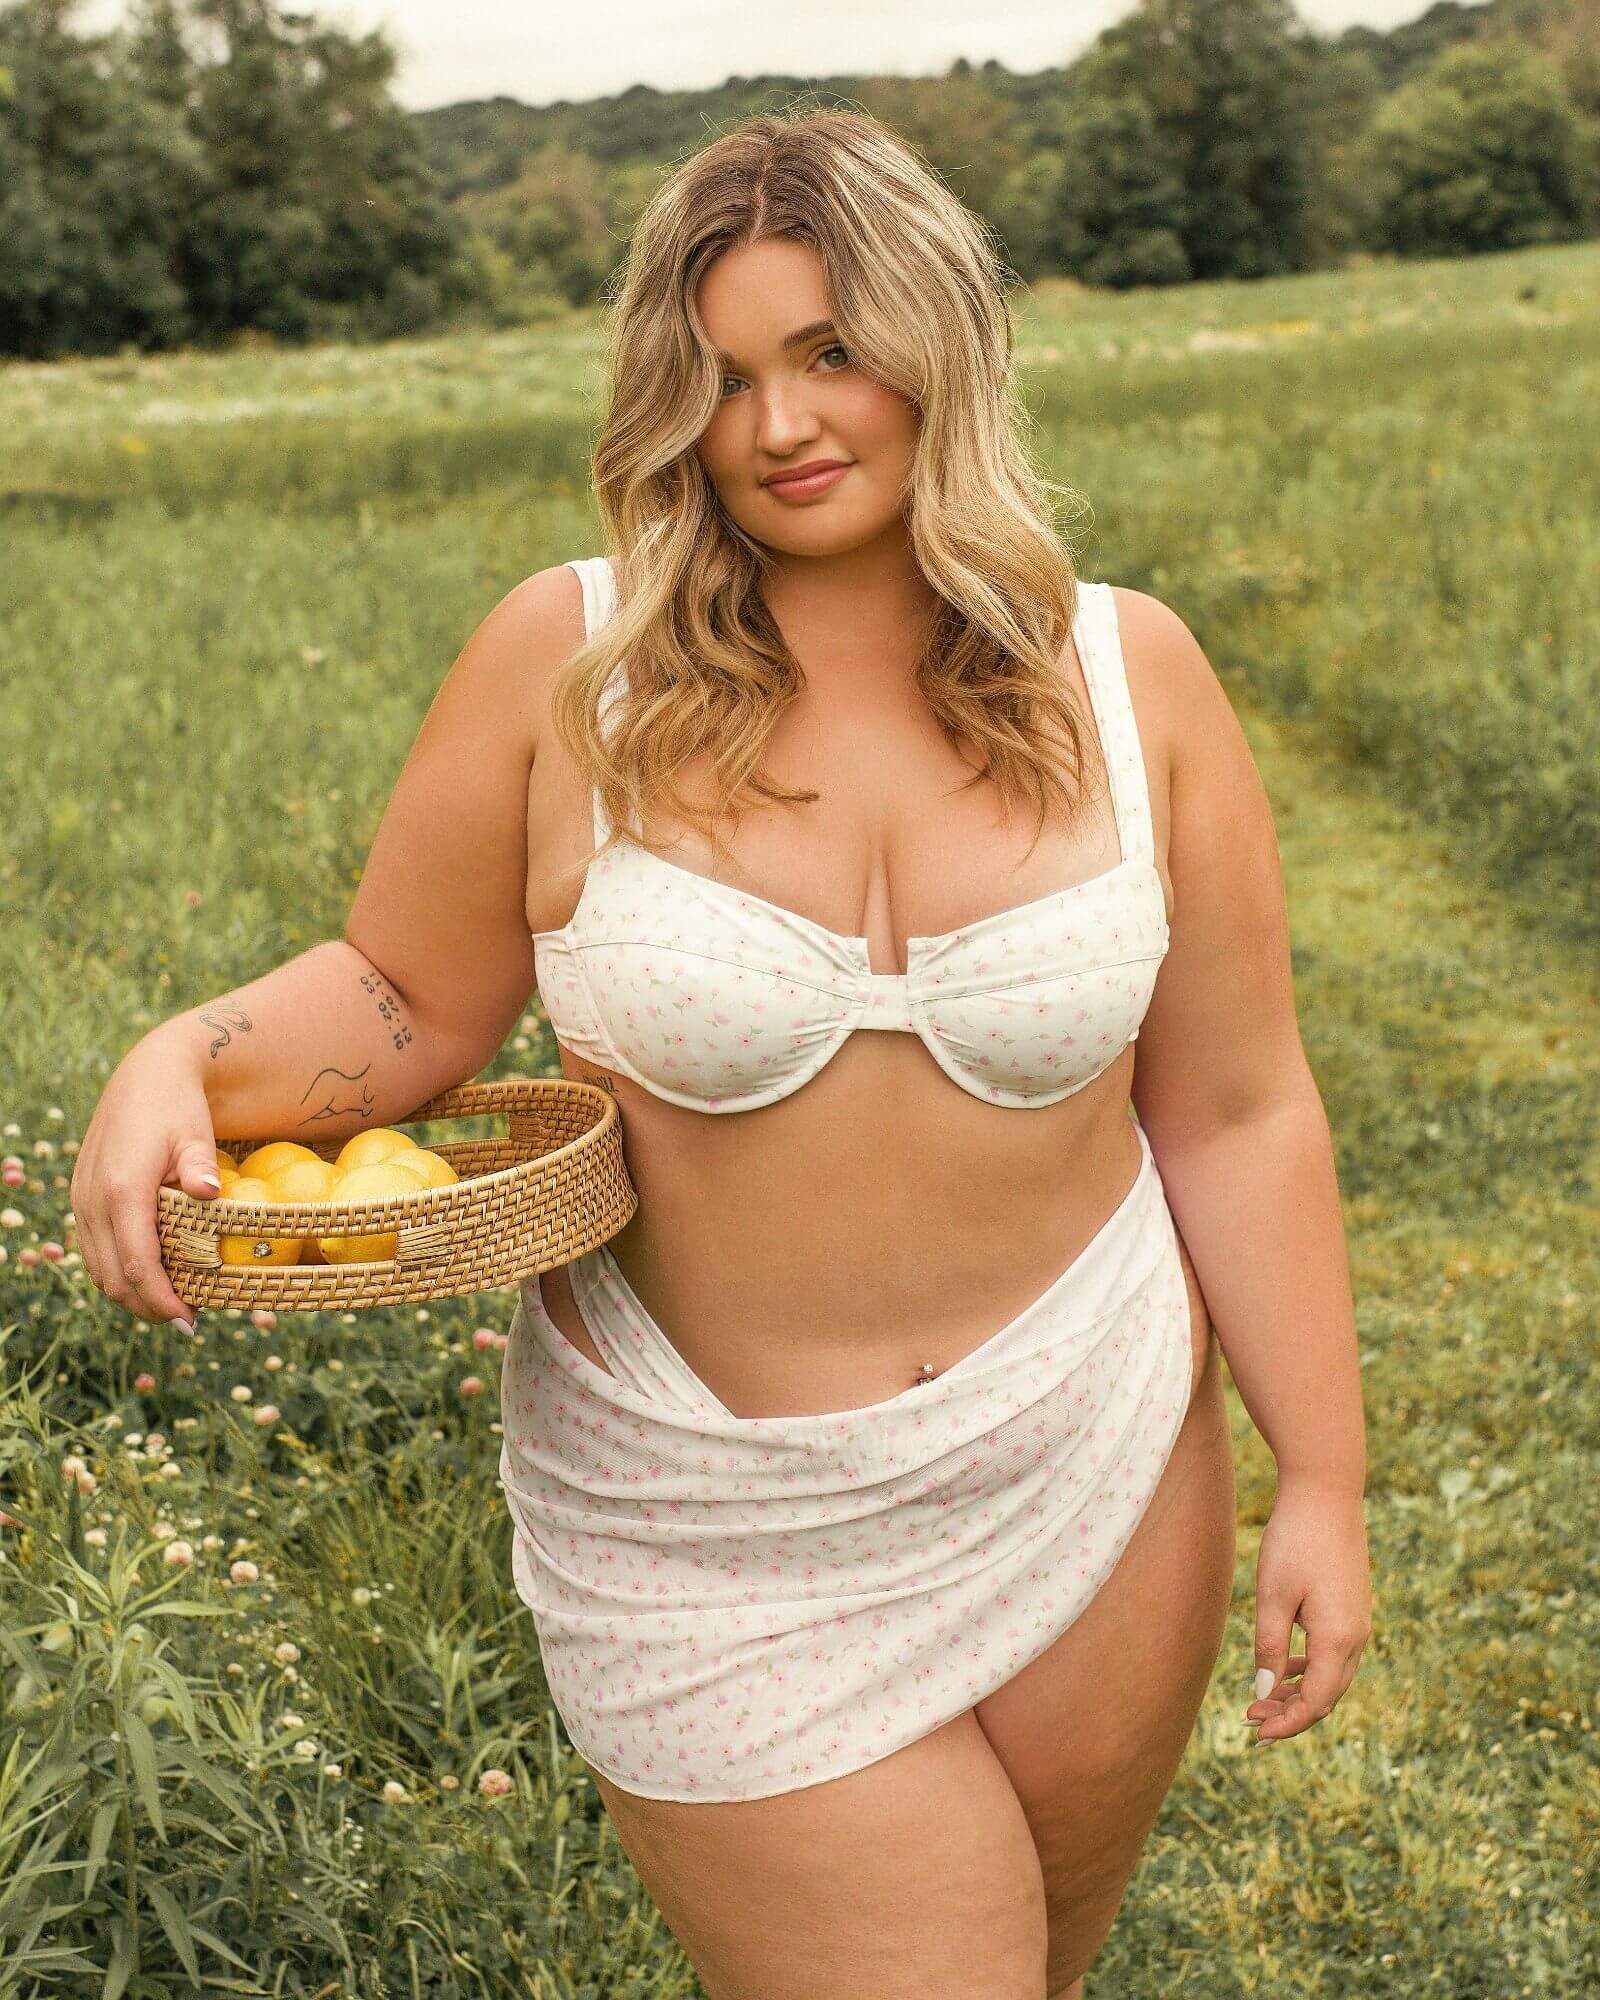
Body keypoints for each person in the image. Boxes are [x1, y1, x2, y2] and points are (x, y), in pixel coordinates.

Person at [74, 108, 1371, 2000]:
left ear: (943, 345)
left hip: (1093, 1455)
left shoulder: (1131, 676)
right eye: (726, 376)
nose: (778, 425)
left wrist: (1320, 1477)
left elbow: (1240, 1108)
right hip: (714, 1519)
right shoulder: (569, 662)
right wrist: (178, 1056)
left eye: (832, 351)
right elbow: (403, 998)